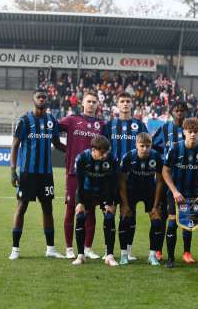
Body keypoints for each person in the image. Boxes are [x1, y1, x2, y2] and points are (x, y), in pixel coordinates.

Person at [8, 89, 66, 260]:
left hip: (46, 174)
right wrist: (13, 170)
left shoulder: (51, 121)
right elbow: (15, 145)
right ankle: (15, 249)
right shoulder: (24, 121)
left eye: (44, 97)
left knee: (48, 209)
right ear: (33, 100)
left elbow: (56, 143)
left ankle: (50, 249)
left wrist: (72, 150)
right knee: (21, 208)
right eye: (38, 97)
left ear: (47, 101)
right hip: (27, 173)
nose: (41, 99)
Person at [162, 118, 198, 269]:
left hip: (196, 193)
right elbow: (165, 170)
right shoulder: (175, 148)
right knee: (172, 225)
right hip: (177, 193)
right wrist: (174, 191)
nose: (192, 135)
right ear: (184, 132)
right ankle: (171, 259)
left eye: (195, 132)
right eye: (189, 132)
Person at [152, 101, 198, 263]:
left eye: (182, 110)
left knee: (188, 217)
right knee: (164, 215)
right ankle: (158, 250)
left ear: (186, 112)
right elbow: (154, 147)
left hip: (189, 180)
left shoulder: (191, 130)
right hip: (168, 181)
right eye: (176, 110)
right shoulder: (165, 129)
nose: (179, 113)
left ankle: (187, 252)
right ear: (171, 112)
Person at [103, 92, 148, 261]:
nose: (125, 104)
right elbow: (104, 148)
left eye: (128, 101)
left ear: (132, 104)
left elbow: (146, 147)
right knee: (109, 212)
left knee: (129, 212)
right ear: (117, 104)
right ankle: (108, 251)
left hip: (133, 176)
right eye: (122, 101)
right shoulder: (109, 125)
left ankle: (127, 250)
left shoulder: (139, 125)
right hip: (113, 176)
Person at [59, 91, 104, 260]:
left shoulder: (101, 124)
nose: (91, 104)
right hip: (73, 172)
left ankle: (87, 248)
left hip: (94, 174)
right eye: (89, 101)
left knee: (90, 210)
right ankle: (69, 248)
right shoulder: (71, 120)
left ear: (98, 105)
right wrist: (65, 149)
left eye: (94, 102)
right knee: (71, 209)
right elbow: (54, 129)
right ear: (82, 104)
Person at [71, 135, 120, 266]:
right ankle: (81, 255)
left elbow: (114, 182)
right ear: (93, 149)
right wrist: (80, 202)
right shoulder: (81, 158)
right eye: (102, 152)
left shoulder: (112, 158)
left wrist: (112, 203)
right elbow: (80, 183)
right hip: (86, 191)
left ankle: (109, 255)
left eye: (106, 152)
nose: (105, 155)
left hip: (105, 192)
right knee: (80, 217)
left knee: (109, 218)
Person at [118, 132, 164, 265]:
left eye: (148, 146)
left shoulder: (156, 157)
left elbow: (160, 182)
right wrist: (125, 204)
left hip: (149, 191)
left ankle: (152, 255)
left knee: (156, 221)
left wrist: (155, 206)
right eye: (142, 145)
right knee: (125, 220)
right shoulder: (128, 157)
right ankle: (124, 255)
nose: (145, 149)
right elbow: (122, 182)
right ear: (136, 145)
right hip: (131, 191)